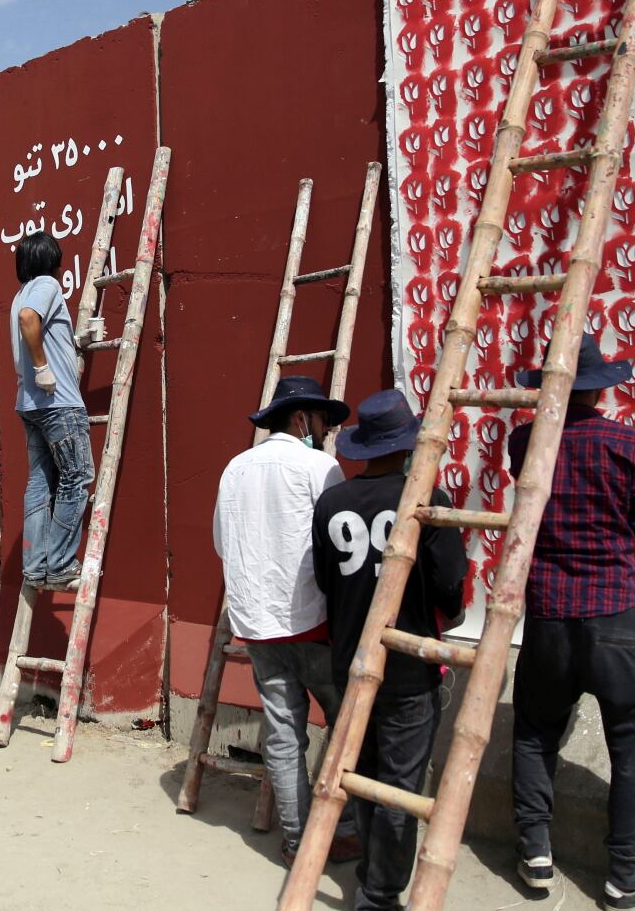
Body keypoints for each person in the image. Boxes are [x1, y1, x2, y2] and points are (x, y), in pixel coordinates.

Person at [507, 333, 635, 911]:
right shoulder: (627, 444)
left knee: (535, 733)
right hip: (614, 616)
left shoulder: (523, 442)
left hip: (550, 615)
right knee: (630, 748)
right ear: (600, 386)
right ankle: (625, 880)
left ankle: (536, 853)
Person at [312, 389, 467, 910]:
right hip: (406, 665)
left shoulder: (332, 503)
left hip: (350, 659)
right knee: (400, 781)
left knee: (363, 773)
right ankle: (379, 894)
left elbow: (324, 579)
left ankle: (371, 878)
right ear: (408, 445)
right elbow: (450, 584)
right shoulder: (427, 502)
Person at [213, 375, 358, 864]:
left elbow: (221, 541)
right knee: (346, 725)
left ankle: (297, 840)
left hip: (256, 620)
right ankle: (345, 828)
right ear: (302, 420)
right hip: (311, 619)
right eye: (320, 421)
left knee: (282, 732)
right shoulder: (320, 466)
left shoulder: (235, 468)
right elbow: (338, 546)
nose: (324, 430)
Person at [9, 231, 92, 590]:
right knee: (77, 477)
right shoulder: (45, 285)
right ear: (49, 262)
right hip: (58, 404)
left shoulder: (18, 295)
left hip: (30, 405)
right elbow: (31, 320)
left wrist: (74, 345)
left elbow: (32, 323)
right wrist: (44, 368)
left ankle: (35, 567)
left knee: (41, 484)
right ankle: (59, 565)